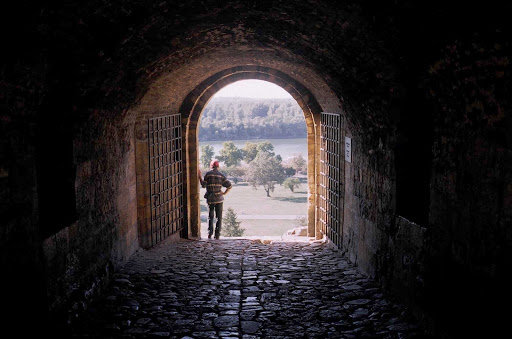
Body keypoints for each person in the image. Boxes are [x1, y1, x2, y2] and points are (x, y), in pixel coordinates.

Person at [198, 160, 232, 239]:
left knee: (210, 216)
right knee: (219, 217)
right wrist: (224, 193)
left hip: (210, 199)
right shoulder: (221, 175)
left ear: (211, 166)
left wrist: (199, 176)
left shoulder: (208, 174)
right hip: (219, 199)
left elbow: (203, 185)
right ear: (218, 166)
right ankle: (217, 235)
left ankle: (210, 233)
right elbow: (229, 186)